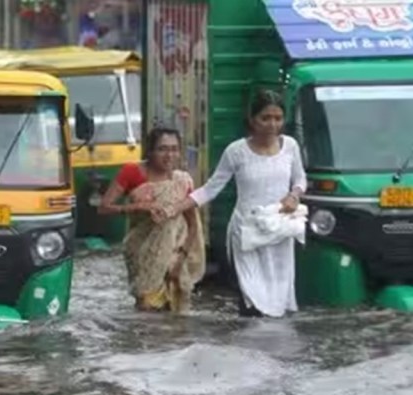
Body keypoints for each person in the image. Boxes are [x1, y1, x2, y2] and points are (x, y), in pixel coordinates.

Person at [159, 90, 306, 318]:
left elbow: (300, 179)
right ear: (252, 119)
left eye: (277, 118)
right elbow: (211, 188)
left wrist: (294, 195)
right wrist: (175, 208)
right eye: (265, 118)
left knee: (278, 296)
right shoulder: (236, 152)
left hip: (279, 233)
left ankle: (277, 350)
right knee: (251, 296)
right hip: (246, 234)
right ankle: (248, 348)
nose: (272, 124)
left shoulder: (290, 147)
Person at [100, 127, 205, 312]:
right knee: (147, 309)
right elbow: (104, 208)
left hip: (174, 253)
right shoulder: (131, 172)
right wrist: (136, 207)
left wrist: (180, 260)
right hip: (141, 250)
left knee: (175, 314)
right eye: (162, 149)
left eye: (174, 149)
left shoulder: (182, 181)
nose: (169, 155)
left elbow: (192, 224)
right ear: (150, 151)